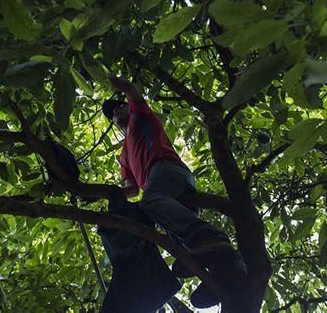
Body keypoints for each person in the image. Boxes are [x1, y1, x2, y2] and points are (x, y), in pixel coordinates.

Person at [102, 75, 249, 309]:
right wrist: (101, 195)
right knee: (179, 243)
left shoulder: (141, 119)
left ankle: (212, 238)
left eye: (120, 107)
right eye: (113, 113)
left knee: (151, 203)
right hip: (161, 190)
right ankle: (227, 270)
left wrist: (100, 76)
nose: (117, 112)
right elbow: (129, 190)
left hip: (167, 171)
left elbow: (130, 88)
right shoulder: (123, 155)